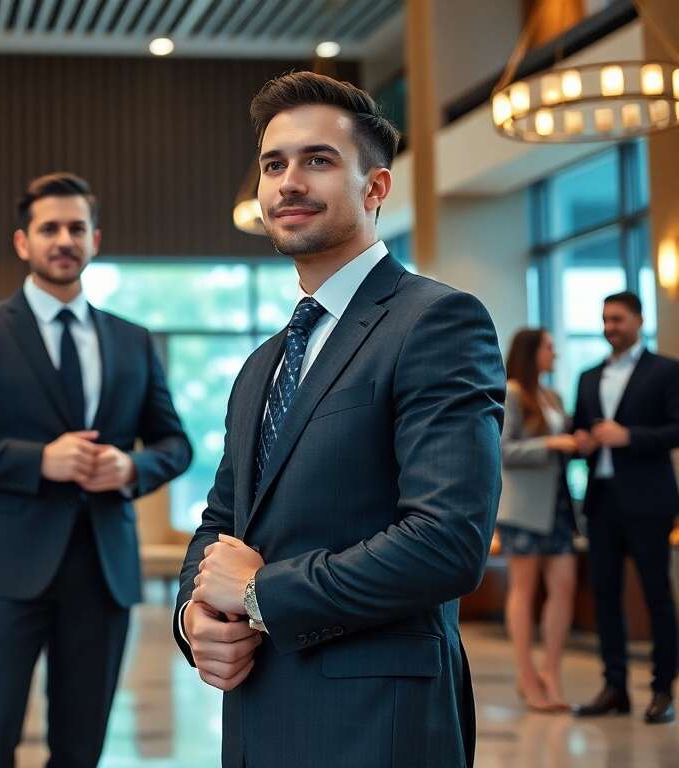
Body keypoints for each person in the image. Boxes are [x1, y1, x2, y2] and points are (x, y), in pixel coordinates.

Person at [173, 71, 504, 768]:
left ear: (375, 188)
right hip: (258, 712)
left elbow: (449, 542)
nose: (288, 181)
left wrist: (265, 594)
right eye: (273, 164)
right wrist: (195, 619)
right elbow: (221, 522)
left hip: (377, 721)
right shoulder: (266, 360)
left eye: (317, 160)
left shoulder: (436, 321)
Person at [0, 172, 192, 767]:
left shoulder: (133, 341)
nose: (63, 239)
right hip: (7, 568)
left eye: (76, 228)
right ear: (24, 242)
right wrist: (38, 460)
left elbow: (176, 444)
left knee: (82, 744)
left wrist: (131, 467)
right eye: (49, 228)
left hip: (103, 570)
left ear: (96, 239)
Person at [571, 291, 679, 725]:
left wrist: (629, 436)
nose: (609, 326)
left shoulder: (666, 371)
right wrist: (582, 441)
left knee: (657, 597)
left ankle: (661, 690)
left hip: (649, 500)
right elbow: (581, 426)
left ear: (637, 319)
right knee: (605, 597)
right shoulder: (587, 376)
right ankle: (614, 686)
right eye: (604, 319)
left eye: (617, 319)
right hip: (601, 500)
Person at [497, 328, 578, 713]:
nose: (555, 354)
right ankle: (526, 676)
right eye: (549, 347)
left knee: (564, 585)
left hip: (558, 505)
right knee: (524, 591)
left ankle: (551, 673)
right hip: (523, 508)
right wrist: (550, 444)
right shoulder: (511, 392)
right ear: (532, 352)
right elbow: (504, 448)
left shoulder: (553, 396)